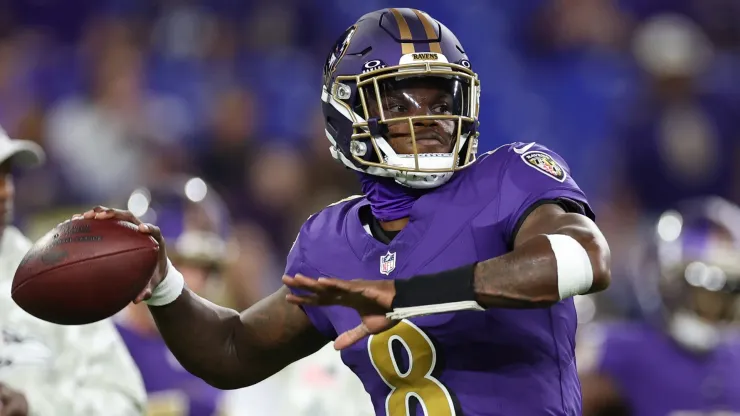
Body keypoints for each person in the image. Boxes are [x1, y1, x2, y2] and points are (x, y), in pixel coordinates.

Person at [78, 8, 611, 415]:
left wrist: (408, 295)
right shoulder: (330, 239)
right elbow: (234, 349)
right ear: (346, 115)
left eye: (439, 98)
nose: (428, 118)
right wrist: (164, 283)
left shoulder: (509, 176)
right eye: (399, 102)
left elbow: (584, 258)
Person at [0, 127, 146, 416]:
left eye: (6, 174)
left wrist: (33, 406)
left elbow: (126, 404)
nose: (5, 190)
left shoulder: (55, 280)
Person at [578, 197, 740, 416]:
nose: (714, 305)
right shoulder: (625, 349)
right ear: (670, 284)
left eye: (727, 291)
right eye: (704, 292)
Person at [114, 178, 232, 416]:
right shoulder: (101, 340)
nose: (196, 281)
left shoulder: (215, 342)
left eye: (206, 269)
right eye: (180, 264)